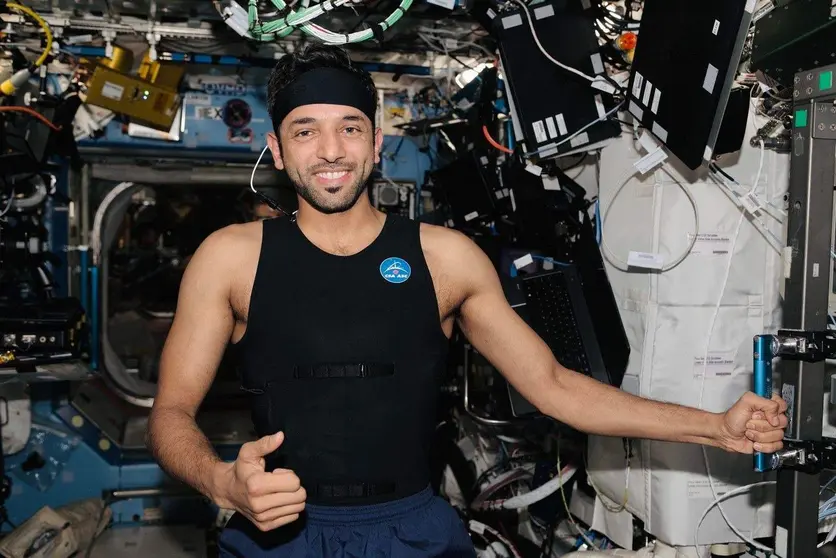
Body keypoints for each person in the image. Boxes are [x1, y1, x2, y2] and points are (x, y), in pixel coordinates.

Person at [146, 43, 788, 558]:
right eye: (305, 131)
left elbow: (555, 386)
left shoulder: (445, 257)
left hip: (413, 532)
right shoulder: (230, 257)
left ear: (376, 144)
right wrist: (223, 482)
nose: (331, 150)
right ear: (279, 152)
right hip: (275, 538)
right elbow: (171, 413)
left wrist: (715, 426)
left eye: (349, 128)